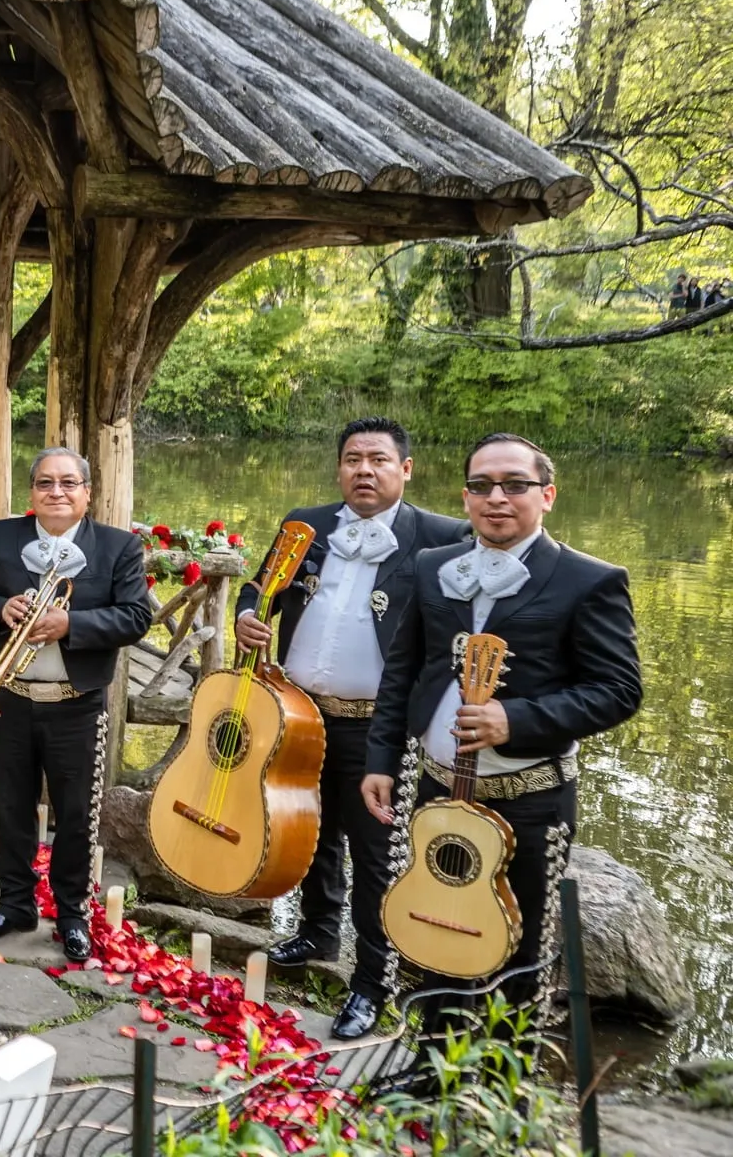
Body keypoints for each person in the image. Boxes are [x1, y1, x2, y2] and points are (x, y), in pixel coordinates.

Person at [362, 434, 642, 1021]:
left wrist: (514, 719)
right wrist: (382, 759)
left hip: (531, 801)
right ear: (465, 498)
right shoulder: (433, 565)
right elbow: (404, 670)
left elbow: (619, 691)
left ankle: (497, 1093)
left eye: (515, 484)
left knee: (515, 949)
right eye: (481, 485)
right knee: (430, 930)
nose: (496, 497)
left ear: (548, 496)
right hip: (434, 788)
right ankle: (427, 1064)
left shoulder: (589, 581)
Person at [233, 418, 469, 1041]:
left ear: (406, 469)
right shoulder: (305, 525)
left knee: (376, 855)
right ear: (339, 468)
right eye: (352, 459)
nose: (364, 469)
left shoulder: (443, 538)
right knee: (307, 831)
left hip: (381, 730)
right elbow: (260, 587)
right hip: (298, 714)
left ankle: (372, 981)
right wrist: (250, 616)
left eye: (378, 460)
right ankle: (316, 932)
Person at [0, 447, 152, 963]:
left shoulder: (118, 546)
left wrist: (72, 624)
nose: (56, 492)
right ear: (31, 493)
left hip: (78, 706)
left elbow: (135, 617)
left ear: (87, 493)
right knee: (12, 808)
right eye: (45, 483)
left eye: (68, 483)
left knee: (76, 814)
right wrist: (1, 608)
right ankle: (15, 904)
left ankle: (71, 914)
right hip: (13, 700)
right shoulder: (2, 535)